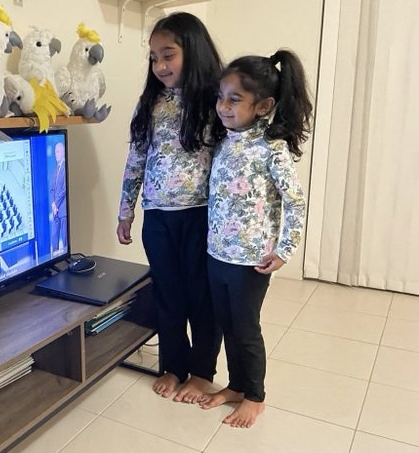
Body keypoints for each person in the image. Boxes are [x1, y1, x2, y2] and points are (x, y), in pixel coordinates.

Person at [200, 49, 313, 428]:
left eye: (235, 100)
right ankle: (235, 385)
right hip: (217, 254)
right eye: (221, 97)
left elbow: (295, 202)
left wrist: (284, 250)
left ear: (263, 105)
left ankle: (255, 396)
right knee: (226, 323)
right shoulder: (225, 140)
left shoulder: (272, 148)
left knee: (246, 328)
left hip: (252, 260)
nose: (224, 107)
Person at [116, 12, 224, 403]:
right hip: (158, 216)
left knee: (202, 296)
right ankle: (173, 366)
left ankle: (200, 372)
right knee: (168, 293)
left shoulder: (217, 101)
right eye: (153, 57)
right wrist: (126, 209)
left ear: (192, 51)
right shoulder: (150, 103)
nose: (160, 66)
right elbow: (136, 158)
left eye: (169, 55)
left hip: (201, 216)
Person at [50, 141, 67, 252]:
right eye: (55, 152)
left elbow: (64, 190)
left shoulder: (65, 168)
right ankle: (54, 254)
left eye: (58, 151)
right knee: (54, 235)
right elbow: (52, 189)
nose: (56, 154)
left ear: (63, 152)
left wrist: (56, 203)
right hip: (55, 210)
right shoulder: (55, 171)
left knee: (65, 237)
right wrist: (53, 204)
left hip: (62, 209)